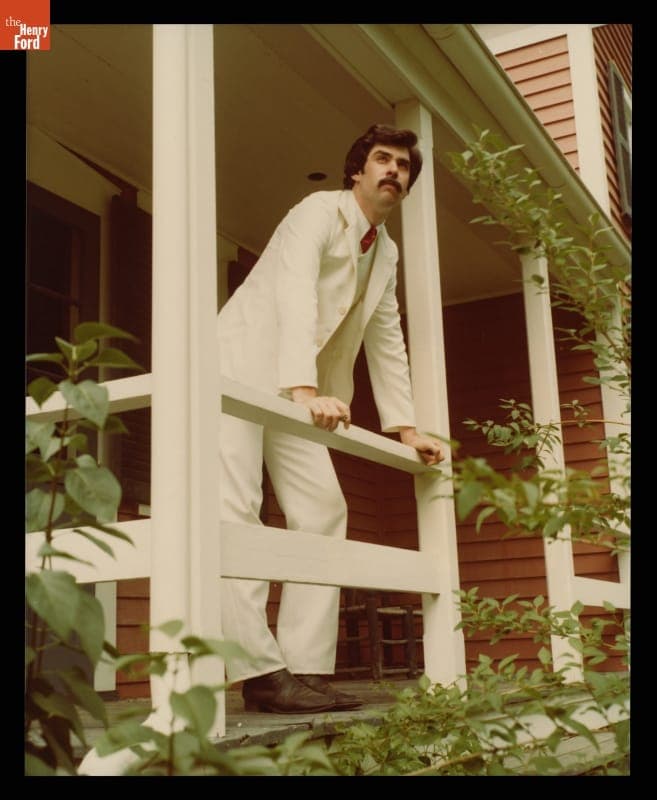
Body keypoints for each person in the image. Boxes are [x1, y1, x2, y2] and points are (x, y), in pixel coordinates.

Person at [216, 123, 446, 714]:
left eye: (403, 165)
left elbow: (385, 334)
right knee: (235, 510)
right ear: (356, 172)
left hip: (297, 387)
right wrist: (304, 386)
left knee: (323, 509)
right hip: (238, 367)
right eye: (381, 159)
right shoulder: (317, 211)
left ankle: (305, 668)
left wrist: (405, 426)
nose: (394, 170)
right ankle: (259, 672)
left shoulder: (386, 251)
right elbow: (295, 290)